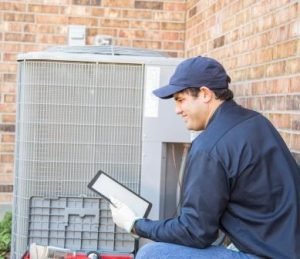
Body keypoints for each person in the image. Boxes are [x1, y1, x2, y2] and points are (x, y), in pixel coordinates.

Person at [109, 56, 300, 258]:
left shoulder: (210, 147)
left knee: (153, 254)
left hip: (265, 254)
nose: (177, 110)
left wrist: (135, 224)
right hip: (286, 245)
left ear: (205, 94)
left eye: (181, 100)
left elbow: (195, 233)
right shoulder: (255, 121)